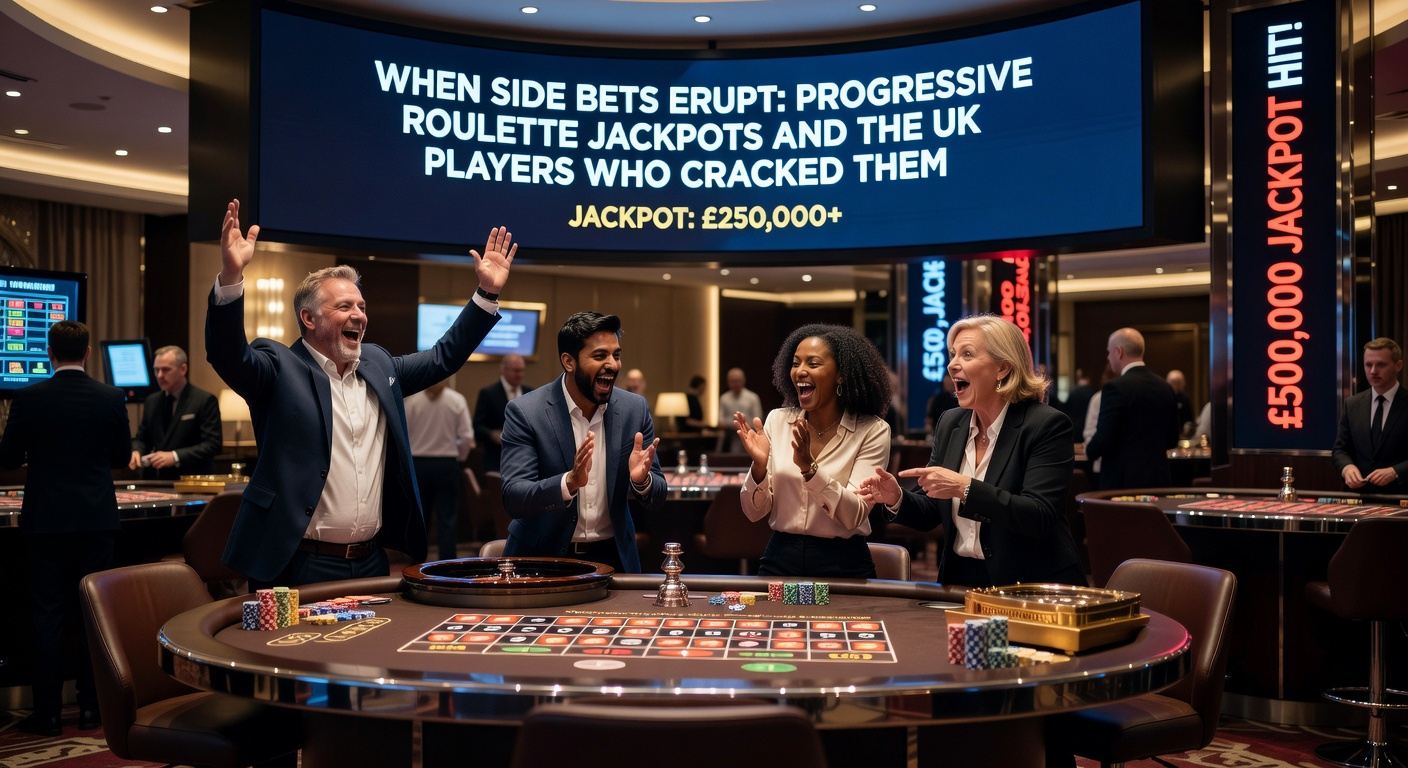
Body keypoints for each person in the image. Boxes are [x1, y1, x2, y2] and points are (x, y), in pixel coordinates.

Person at [207, 199, 515, 587]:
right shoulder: (278, 366)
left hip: (372, 561)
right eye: (344, 306)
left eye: (362, 306)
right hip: (297, 562)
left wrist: (486, 293)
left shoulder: (379, 365)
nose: (359, 315)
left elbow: (443, 358)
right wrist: (231, 277)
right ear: (309, 318)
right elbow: (227, 355)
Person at [857, 315, 1084, 588]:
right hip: (960, 579)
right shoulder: (951, 422)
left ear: (1003, 368)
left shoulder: (1045, 424)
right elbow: (931, 510)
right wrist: (896, 498)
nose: (953, 364)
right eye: (953, 355)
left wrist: (965, 487)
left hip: (1029, 584)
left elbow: (1038, 515)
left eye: (967, 354)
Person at [0, 321, 131, 736]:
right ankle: (92, 710)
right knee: (92, 617)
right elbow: (123, 457)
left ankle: (48, 714)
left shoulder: (28, 397)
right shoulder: (110, 397)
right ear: (88, 352)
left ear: (49, 353)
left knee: (48, 615)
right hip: (96, 521)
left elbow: (7, 459)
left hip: (46, 522)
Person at [500, 312, 667, 572]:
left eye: (616, 355)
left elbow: (657, 496)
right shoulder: (526, 412)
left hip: (614, 558)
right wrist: (568, 483)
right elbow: (514, 497)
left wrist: (641, 481)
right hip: (542, 560)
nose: (612, 365)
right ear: (569, 361)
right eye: (600, 356)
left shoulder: (635, 409)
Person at [733, 323, 892, 578]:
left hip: (844, 561)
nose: (800, 372)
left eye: (813, 364)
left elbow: (855, 515)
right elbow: (753, 513)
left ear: (841, 374)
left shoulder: (872, 430)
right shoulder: (777, 420)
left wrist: (810, 469)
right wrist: (759, 468)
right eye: (796, 363)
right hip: (781, 556)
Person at [1084, 327, 1180, 490]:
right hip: (1159, 480)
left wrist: (1089, 451)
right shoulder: (1165, 387)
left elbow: (1104, 438)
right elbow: (1172, 439)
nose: (1108, 357)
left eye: (1109, 353)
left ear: (1119, 352)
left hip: (1123, 483)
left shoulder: (1115, 388)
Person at [128, 345, 223, 480]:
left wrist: (175, 456)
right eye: (156, 370)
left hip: (193, 480)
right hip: (158, 481)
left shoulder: (204, 400)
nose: (160, 375)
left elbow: (213, 445)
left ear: (183, 369)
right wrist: (137, 450)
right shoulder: (151, 401)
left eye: (166, 369)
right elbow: (142, 438)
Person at [405, 377, 475, 560]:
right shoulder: (456, 399)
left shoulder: (411, 399)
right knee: (447, 519)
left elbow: (402, 433)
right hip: (446, 465)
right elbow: (467, 437)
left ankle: (416, 563)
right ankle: (447, 564)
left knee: (420, 520)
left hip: (418, 465)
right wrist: (458, 457)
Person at [1332, 337, 1408, 493]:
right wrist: (1347, 467)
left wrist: (1395, 471)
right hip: (1358, 498)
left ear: (1398, 365)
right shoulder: (1352, 404)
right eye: (1368, 365)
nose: (1373, 371)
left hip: (1400, 498)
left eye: (1381, 364)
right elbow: (1340, 450)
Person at [472, 353, 530, 474]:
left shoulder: (530, 393)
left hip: (525, 460)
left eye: (522, 371)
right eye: (516, 371)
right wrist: (492, 434)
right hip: (496, 459)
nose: (520, 375)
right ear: (504, 369)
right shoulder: (489, 394)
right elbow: (477, 426)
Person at [718, 367, 763, 452]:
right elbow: (720, 421)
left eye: (737, 381)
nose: (735, 384)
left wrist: (743, 425)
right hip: (728, 436)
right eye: (732, 381)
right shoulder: (724, 398)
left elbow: (758, 419)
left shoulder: (753, 398)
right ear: (728, 382)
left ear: (743, 381)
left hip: (749, 435)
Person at [1166, 369, 1195, 438]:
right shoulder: (1164, 397)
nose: (1176, 386)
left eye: (1178, 383)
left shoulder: (1184, 398)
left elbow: (1189, 419)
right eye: (1173, 382)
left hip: (1182, 435)